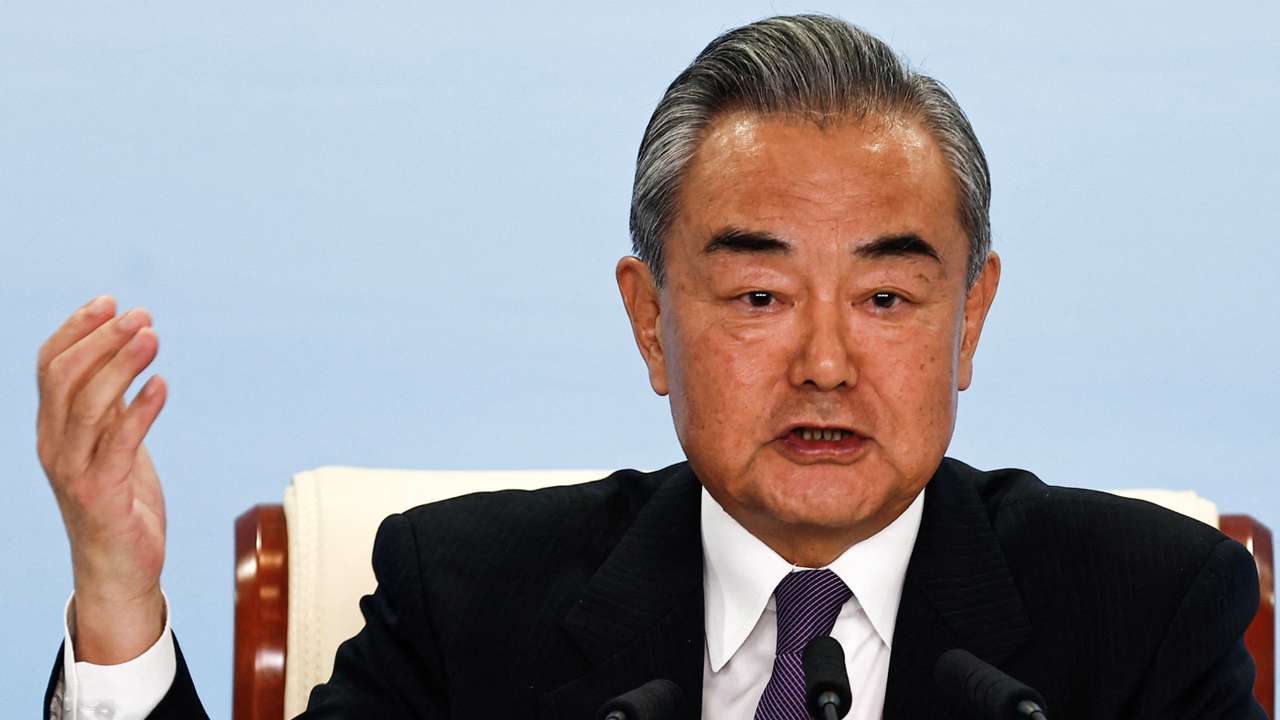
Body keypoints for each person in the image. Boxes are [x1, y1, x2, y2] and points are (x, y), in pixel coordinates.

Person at [38, 14, 1264, 720]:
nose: (825, 363)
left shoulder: (1146, 609)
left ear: (970, 319)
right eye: (758, 297)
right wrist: (114, 594)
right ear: (647, 322)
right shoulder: (465, 602)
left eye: (886, 297)